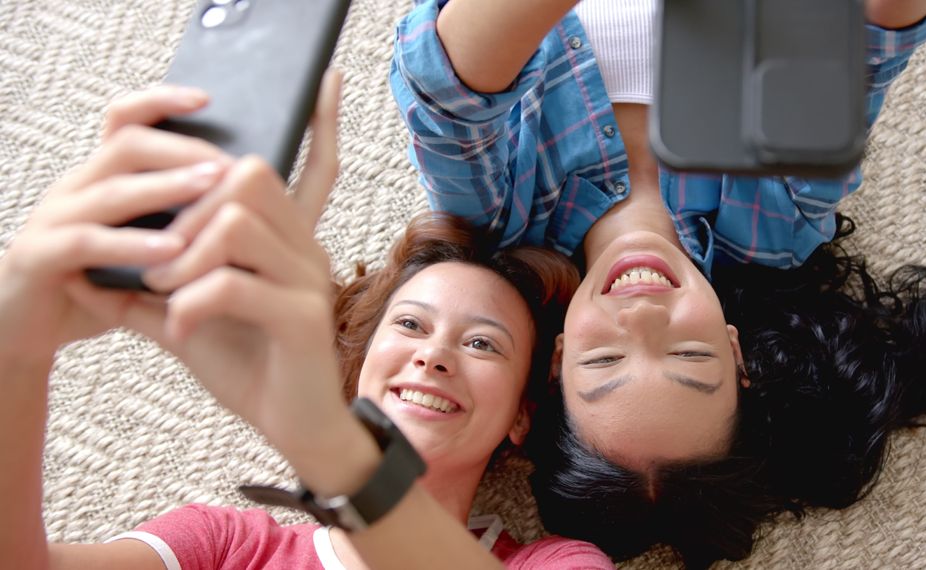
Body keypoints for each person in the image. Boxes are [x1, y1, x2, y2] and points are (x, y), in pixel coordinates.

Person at [390, 0, 926, 565]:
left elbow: (443, 85)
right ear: (736, 350)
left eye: (604, 360)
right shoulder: (777, 220)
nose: (643, 314)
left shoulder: (501, 223)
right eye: (689, 354)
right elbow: (865, 42)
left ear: (557, 361)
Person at [0, 72, 614, 569]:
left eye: (482, 342)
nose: (433, 356)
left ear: (519, 416)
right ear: (361, 366)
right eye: (408, 326)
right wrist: (17, 350)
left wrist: (322, 442)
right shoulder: (222, 546)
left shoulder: (555, 562)